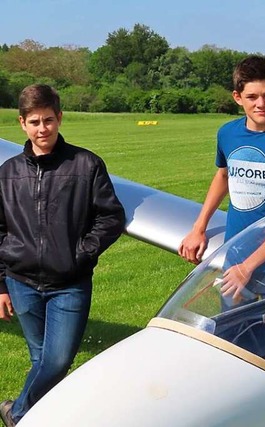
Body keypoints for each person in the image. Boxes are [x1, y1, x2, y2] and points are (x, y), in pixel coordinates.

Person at [0, 84, 125, 427]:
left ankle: (19, 413)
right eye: (35, 122)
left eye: (50, 120)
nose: (43, 129)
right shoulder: (8, 172)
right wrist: (1, 285)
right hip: (21, 281)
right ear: (22, 123)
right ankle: (42, 418)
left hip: (69, 284)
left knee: (56, 361)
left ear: (60, 118)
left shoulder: (86, 165)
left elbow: (111, 217)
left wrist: (81, 255)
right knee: (40, 357)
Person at [179, 55, 265, 304]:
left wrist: (248, 266)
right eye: (252, 97)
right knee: (231, 335)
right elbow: (223, 175)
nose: (261, 104)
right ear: (237, 97)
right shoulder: (228, 133)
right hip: (236, 256)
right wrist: (198, 229)